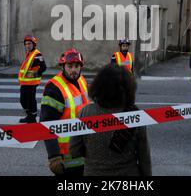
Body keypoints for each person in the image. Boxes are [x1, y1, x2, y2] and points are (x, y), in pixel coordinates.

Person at [70, 64, 152, 176]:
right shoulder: (134, 115)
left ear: (98, 86)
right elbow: (144, 157)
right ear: (128, 88)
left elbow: (74, 150)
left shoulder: (85, 113)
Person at [40, 48, 89, 176]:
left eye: (77, 66)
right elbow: (46, 124)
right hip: (65, 154)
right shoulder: (54, 89)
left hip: (83, 147)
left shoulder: (81, 80)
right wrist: (54, 156)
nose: (74, 70)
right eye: (70, 66)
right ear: (63, 66)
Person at [18, 35, 46, 123]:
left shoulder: (37, 54)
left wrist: (34, 75)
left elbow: (43, 67)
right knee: (23, 101)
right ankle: (29, 115)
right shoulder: (29, 53)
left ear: (34, 44)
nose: (27, 45)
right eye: (26, 44)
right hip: (25, 83)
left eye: (29, 44)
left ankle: (32, 118)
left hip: (32, 83)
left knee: (30, 101)